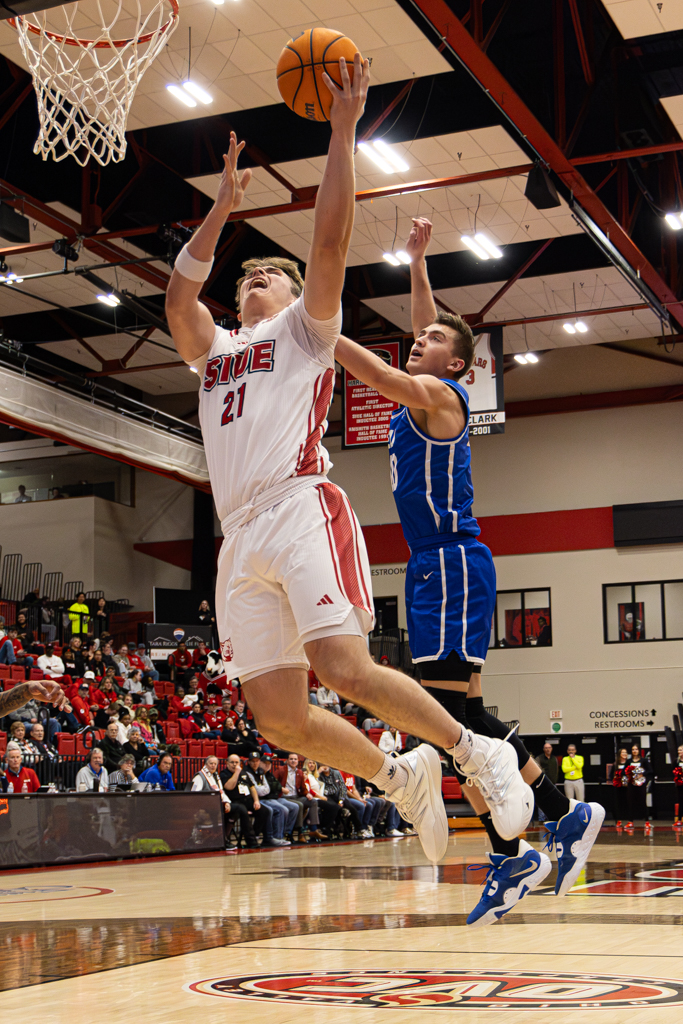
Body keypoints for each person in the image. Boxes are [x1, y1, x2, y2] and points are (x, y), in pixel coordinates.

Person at [165, 86, 530, 870]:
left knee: (342, 667)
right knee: (279, 722)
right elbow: (179, 295)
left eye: (268, 275)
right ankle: (400, 775)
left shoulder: (303, 331)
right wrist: (222, 208)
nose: (253, 281)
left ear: (296, 297)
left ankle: (474, 752)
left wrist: (341, 130)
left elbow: (330, 242)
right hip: (239, 536)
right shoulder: (216, 351)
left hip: (300, 505)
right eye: (246, 280)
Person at [335, 215, 604, 917]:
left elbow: (388, 367)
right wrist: (418, 264)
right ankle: (542, 830)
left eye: (429, 343)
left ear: (454, 365)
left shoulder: (440, 397)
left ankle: (521, 845)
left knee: (446, 719)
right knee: (466, 718)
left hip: (448, 563)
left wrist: (308, 329)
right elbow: (432, 326)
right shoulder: (431, 384)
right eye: (419, 338)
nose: (416, 338)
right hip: (439, 567)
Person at [273, 751, 326, 840]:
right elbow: (274, 783)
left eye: (295, 759)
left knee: (313, 801)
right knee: (299, 805)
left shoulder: (300, 772)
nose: (293, 761)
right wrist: (281, 789)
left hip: (296, 796)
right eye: (291, 759)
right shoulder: (280, 769)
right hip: (285, 797)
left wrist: (307, 794)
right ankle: (300, 832)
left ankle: (313, 830)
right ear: (287, 761)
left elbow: (303, 787)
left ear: (298, 761)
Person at [304, 759, 340, 834]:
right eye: (310, 763)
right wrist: (320, 797)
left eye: (313, 763)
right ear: (306, 764)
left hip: (319, 796)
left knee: (336, 806)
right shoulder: (305, 774)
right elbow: (308, 789)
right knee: (334, 807)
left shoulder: (313, 775)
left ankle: (326, 827)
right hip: (313, 798)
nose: (312, 765)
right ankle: (324, 827)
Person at [626, 744, 653, 828]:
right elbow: (624, 771)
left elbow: (650, 770)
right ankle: (630, 821)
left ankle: (647, 821)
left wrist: (642, 774)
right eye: (633, 749)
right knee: (631, 802)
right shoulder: (628, 761)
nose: (634, 751)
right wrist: (629, 774)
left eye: (636, 749)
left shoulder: (643, 760)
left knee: (642, 801)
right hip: (631, 784)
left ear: (639, 751)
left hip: (641, 784)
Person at [610, 747, 630, 826]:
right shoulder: (616, 764)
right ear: (619, 754)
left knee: (628, 802)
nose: (624, 754)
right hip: (618, 786)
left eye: (626, 752)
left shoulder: (629, 763)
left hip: (627, 786)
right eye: (623, 752)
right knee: (618, 803)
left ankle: (629, 820)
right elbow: (611, 775)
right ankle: (618, 820)